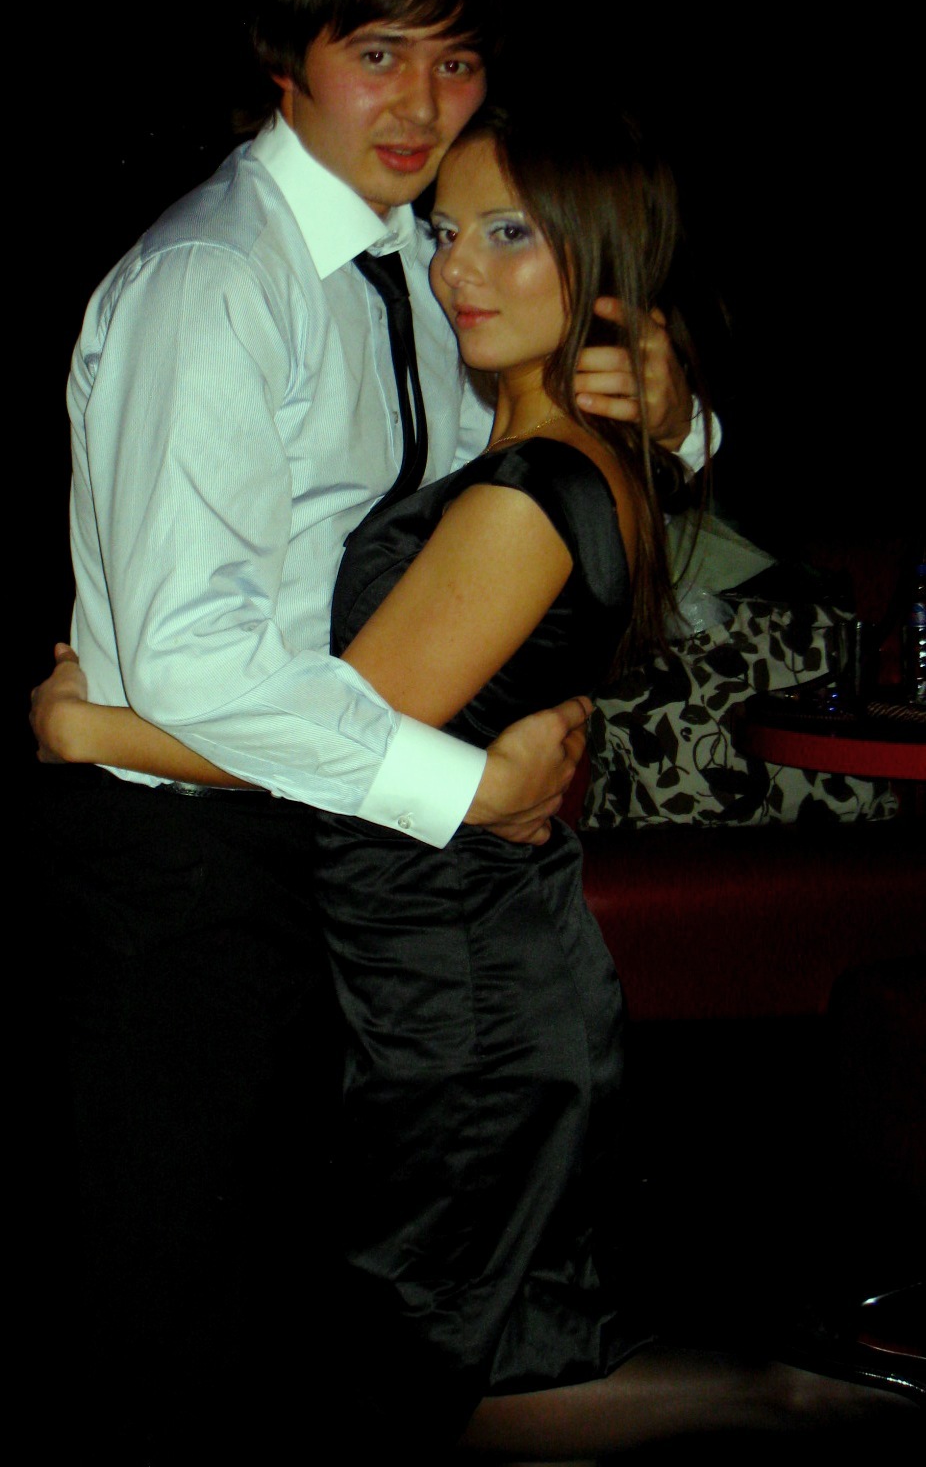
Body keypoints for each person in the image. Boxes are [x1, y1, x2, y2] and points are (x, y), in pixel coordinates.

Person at [35, 112, 921, 1460]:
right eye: (448, 231)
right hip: (464, 970)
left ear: (604, 259)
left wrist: (92, 730)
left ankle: (833, 1394)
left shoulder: (525, 493)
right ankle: (820, 1387)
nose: (457, 268)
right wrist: (680, 420)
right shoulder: (548, 448)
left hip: (460, 1001)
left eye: (511, 234)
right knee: (488, 1362)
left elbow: (347, 725)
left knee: (440, 1389)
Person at [35, 0, 706, 1463]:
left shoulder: (422, 255)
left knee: (314, 1332)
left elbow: (535, 459)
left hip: (348, 875)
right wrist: (461, 786)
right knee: (174, 1322)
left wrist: (677, 415)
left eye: (454, 61)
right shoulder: (215, 281)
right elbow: (200, 662)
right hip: (185, 880)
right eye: (378, 53)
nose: (420, 103)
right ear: (286, 61)